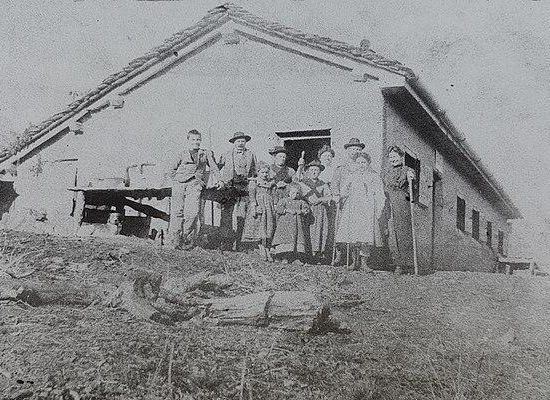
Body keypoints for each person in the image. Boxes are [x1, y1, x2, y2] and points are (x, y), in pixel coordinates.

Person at [167, 129, 223, 250]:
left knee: (192, 213)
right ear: (188, 140)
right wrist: (177, 180)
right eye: (193, 139)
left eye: (198, 139)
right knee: (177, 212)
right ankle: (174, 240)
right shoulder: (182, 153)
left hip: (195, 185)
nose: (196, 142)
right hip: (179, 185)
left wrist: (220, 180)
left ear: (200, 140)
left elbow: (214, 167)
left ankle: (185, 239)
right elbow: (171, 170)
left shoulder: (205, 153)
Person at [334, 151, 385, 270]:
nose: (361, 165)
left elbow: (380, 194)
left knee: (365, 237)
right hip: (353, 208)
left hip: (367, 209)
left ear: (368, 163)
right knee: (353, 236)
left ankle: (364, 263)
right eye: (358, 162)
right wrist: (341, 195)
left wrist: (379, 209)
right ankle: (354, 261)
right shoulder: (352, 176)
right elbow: (343, 191)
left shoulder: (374, 177)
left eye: (363, 162)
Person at [218, 131, 257, 251]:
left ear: (245, 142)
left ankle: (240, 243)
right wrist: (220, 181)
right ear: (234, 143)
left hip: (244, 188)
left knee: (242, 216)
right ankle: (226, 243)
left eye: (242, 141)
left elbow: (255, 171)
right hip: (229, 187)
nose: (240, 143)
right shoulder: (226, 154)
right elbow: (217, 168)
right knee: (226, 214)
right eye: (238, 141)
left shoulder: (251, 154)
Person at [331, 138, 366, 265]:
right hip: (343, 202)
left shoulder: (364, 167)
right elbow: (335, 184)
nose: (355, 151)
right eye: (353, 149)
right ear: (347, 151)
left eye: (358, 149)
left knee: (357, 230)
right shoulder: (341, 168)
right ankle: (339, 255)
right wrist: (336, 195)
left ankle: (355, 259)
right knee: (340, 228)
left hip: (358, 203)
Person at [383, 145, 416, 274]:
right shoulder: (386, 172)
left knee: (403, 232)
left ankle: (408, 263)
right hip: (388, 202)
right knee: (391, 232)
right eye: (390, 157)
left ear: (401, 156)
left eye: (395, 156)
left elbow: (413, 183)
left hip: (402, 203)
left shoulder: (407, 169)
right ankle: (397, 263)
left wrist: (411, 177)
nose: (393, 159)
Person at [242, 161, 276, 261]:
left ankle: (266, 247)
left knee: (267, 226)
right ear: (258, 172)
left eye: (266, 172)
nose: (265, 174)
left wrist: (274, 206)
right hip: (259, 206)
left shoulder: (271, 183)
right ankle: (260, 247)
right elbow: (252, 197)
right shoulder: (254, 183)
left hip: (268, 207)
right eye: (262, 172)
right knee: (259, 226)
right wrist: (254, 207)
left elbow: (273, 195)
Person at [300, 160, 332, 263]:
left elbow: (328, 196)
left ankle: (317, 253)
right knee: (307, 230)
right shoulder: (302, 183)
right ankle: (306, 253)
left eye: (316, 170)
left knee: (319, 231)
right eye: (312, 170)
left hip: (320, 211)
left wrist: (319, 199)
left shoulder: (323, 184)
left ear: (320, 172)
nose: (314, 172)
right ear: (308, 171)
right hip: (307, 210)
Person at [271, 183, 310, 263]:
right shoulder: (284, 200)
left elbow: (307, 210)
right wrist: (287, 210)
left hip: (297, 225)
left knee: (297, 241)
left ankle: (296, 258)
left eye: (297, 193)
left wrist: (301, 211)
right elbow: (278, 208)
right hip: (285, 225)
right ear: (288, 192)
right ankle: (283, 257)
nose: (295, 195)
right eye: (293, 193)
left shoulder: (301, 202)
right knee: (285, 240)